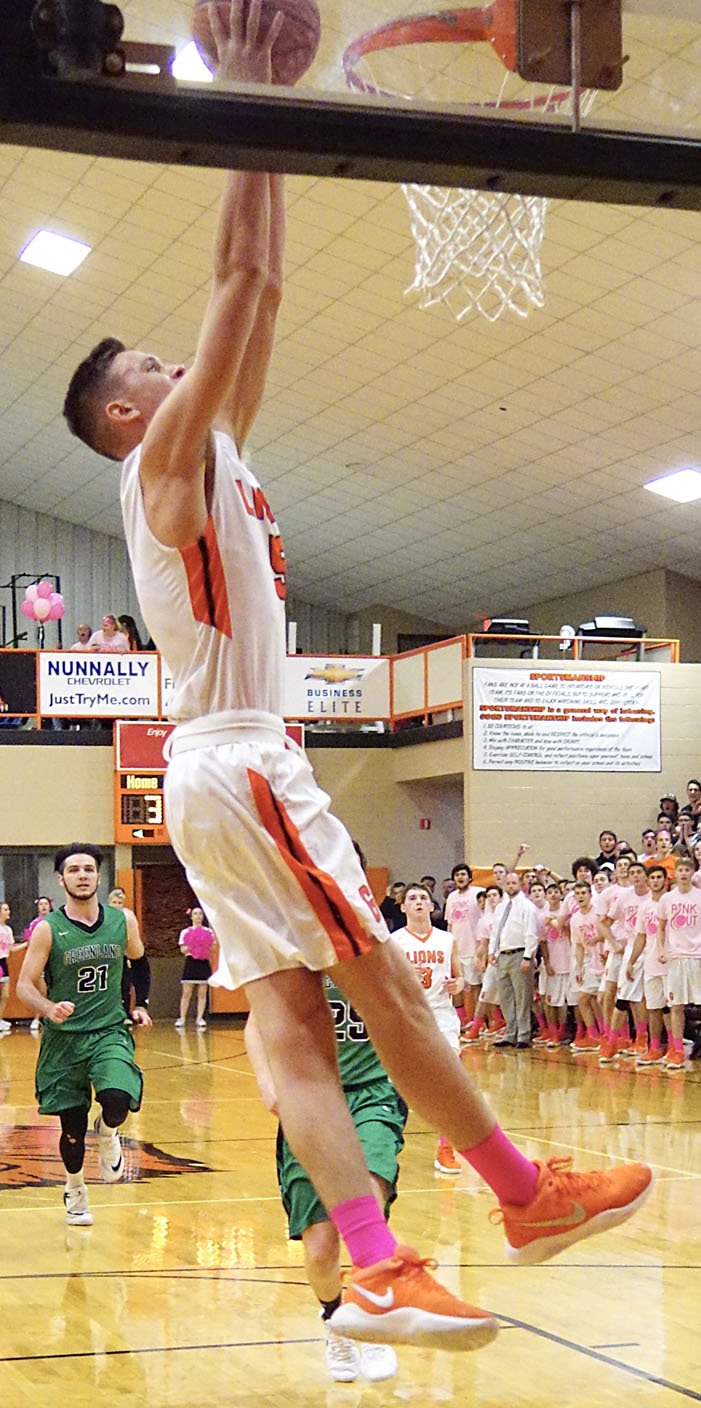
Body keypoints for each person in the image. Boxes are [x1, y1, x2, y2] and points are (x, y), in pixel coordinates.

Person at [62, 2, 651, 1344]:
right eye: (150, 366)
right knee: (383, 976)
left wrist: (267, 124)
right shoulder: (156, 462)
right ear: (121, 413)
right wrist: (255, 101)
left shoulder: (212, 459)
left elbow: (257, 297)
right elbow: (236, 289)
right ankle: (517, 1188)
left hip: (215, 769)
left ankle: (376, 1263)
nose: (174, 362)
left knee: (292, 1023)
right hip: (240, 748)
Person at [246, 978, 404, 1383]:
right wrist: (267, 1083)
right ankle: (336, 1320)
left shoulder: (369, 942)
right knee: (320, 1246)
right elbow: (256, 1023)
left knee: (368, 1204)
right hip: (309, 1098)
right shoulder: (288, 948)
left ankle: (371, 1320)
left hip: (370, 1094)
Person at [16, 844, 152, 1226]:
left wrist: (141, 1003)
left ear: (97, 876)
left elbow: (140, 962)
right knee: (71, 1127)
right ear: (61, 879)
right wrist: (47, 1008)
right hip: (64, 1037)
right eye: (73, 870)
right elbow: (23, 986)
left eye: (89, 869)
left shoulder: (122, 921)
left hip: (109, 1030)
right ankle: (75, 1187)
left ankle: (108, 1131)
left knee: (117, 1098)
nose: (82, 875)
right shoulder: (48, 930)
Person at [393, 883, 464, 1174]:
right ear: (403, 907)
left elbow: (460, 981)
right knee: (398, 1086)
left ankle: (446, 1147)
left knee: (450, 1084)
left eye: (423, 897)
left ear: (432, 906)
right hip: (407, 1019)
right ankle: (385, 1144)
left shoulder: (447, 940)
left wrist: (456, 984)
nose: (419, 902)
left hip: (441, 1017)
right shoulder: (393, 942)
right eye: (412, 898)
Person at [657, 854, 701, 1072]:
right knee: (676, 1005)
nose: (684, 874)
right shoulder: (667, 899)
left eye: (687, 870)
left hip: (697, 957)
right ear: (675, 873)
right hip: (675, 957)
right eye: (680, 870)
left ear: (693, 873)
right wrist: (662, 949)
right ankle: (675, 1050)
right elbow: (661, 926)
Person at [488, 872, 538, 1049]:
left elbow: (531, 933)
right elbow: (496, 930)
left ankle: (524, 1034)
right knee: (506, 996)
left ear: (520, 884)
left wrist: (527, 957)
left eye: (513, 883)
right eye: (507, 883)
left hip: (520, 953)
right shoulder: (501, 907)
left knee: (522, 996)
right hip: (503, 954)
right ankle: (510, 1032)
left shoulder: (527, 906)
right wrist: (492, 951)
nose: (510, 886)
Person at [108, 888, 151, 1025]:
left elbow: (142, 967)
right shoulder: (103, 918)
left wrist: (141, 1003)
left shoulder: (128, 917)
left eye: (119, 902)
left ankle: (127, 1011)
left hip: (125, 955)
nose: (117, 905)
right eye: (114, 902)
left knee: (126, 982)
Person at [176, 906, 215, 1029]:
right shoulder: (185, 932)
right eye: (195, 914)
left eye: (200, 914)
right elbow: (183, 949)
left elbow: (212, 947)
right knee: (186, 992)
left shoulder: (209, 932)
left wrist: (203, 945)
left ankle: (199, 1018)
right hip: (191, 962)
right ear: (191, 916)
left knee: (202, 992)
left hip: (203, 962)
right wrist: (194, 945)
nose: (198, 916)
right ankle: (182, 1018)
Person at [0, 901, 14, 1034]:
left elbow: (11, 949)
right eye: (5, 909)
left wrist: (29, 944)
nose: (8, 912)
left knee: (5, 994)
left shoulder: (8, 929)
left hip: (3, 962)